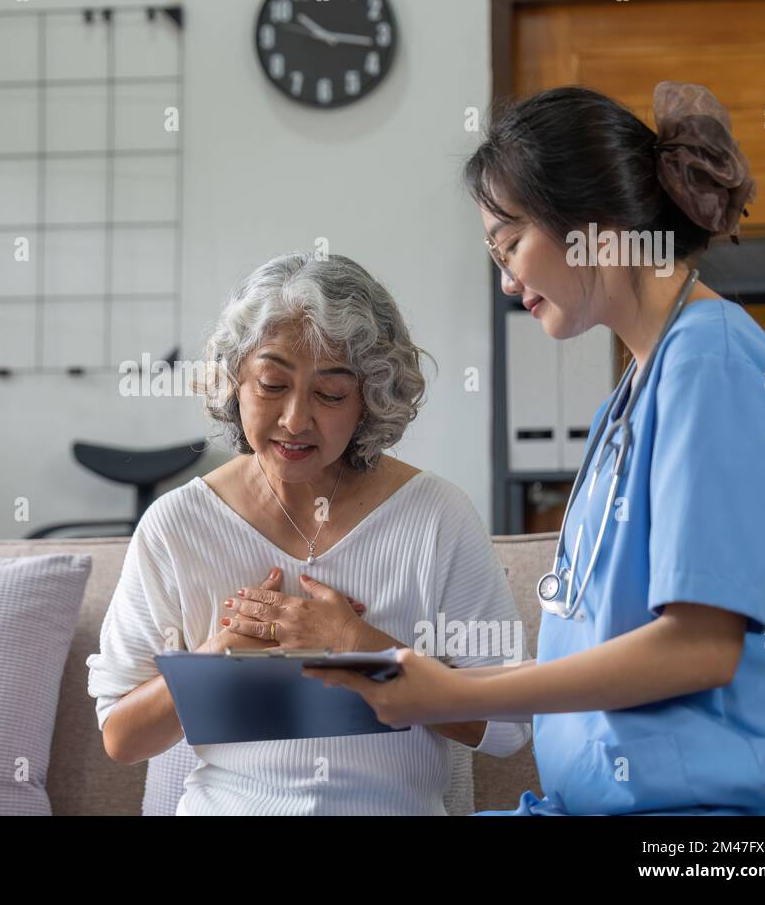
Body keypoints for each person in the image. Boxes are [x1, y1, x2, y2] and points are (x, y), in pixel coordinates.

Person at [309, 83, 765, 815]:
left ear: (596, 224)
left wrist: (453, 691)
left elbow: (699, 647)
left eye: (510, 243)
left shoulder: (714, 364)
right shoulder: (638, 389)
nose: (508, 279)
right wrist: (423, 683)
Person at [86, 252, 530, 814]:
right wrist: (219, 656)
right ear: (234, 383)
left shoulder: (437, 516)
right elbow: (122, 738)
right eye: (272, 384)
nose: (296, 419)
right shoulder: (178, 525)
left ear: (370, 398)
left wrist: (361, 649)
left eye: (330, 394)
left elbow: (511, 726)